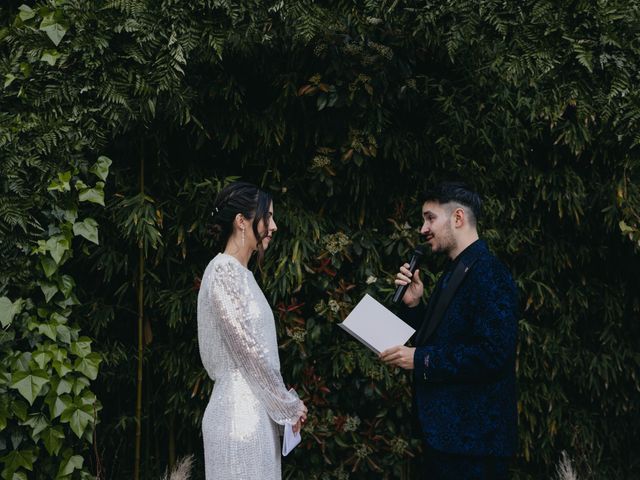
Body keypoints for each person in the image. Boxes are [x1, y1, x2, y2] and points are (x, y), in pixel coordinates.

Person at [380, 182, 519, 479]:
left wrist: (421, 360)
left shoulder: (490, 273)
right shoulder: (453, 271)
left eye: (430, 218)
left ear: (458, 218)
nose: (422, 228)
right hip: (448, 441)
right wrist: (414, 305)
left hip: (475, 446)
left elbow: (494, 354)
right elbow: (437, 341)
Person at [197, 181, 307, 480]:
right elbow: (248, 351)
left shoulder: (242, 275)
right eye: (267, 216)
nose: (273, 225)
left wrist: (283, 407)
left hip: (256, 414)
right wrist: (288, 405)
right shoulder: (223, 271)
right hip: (239, 417)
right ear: (241, 221)